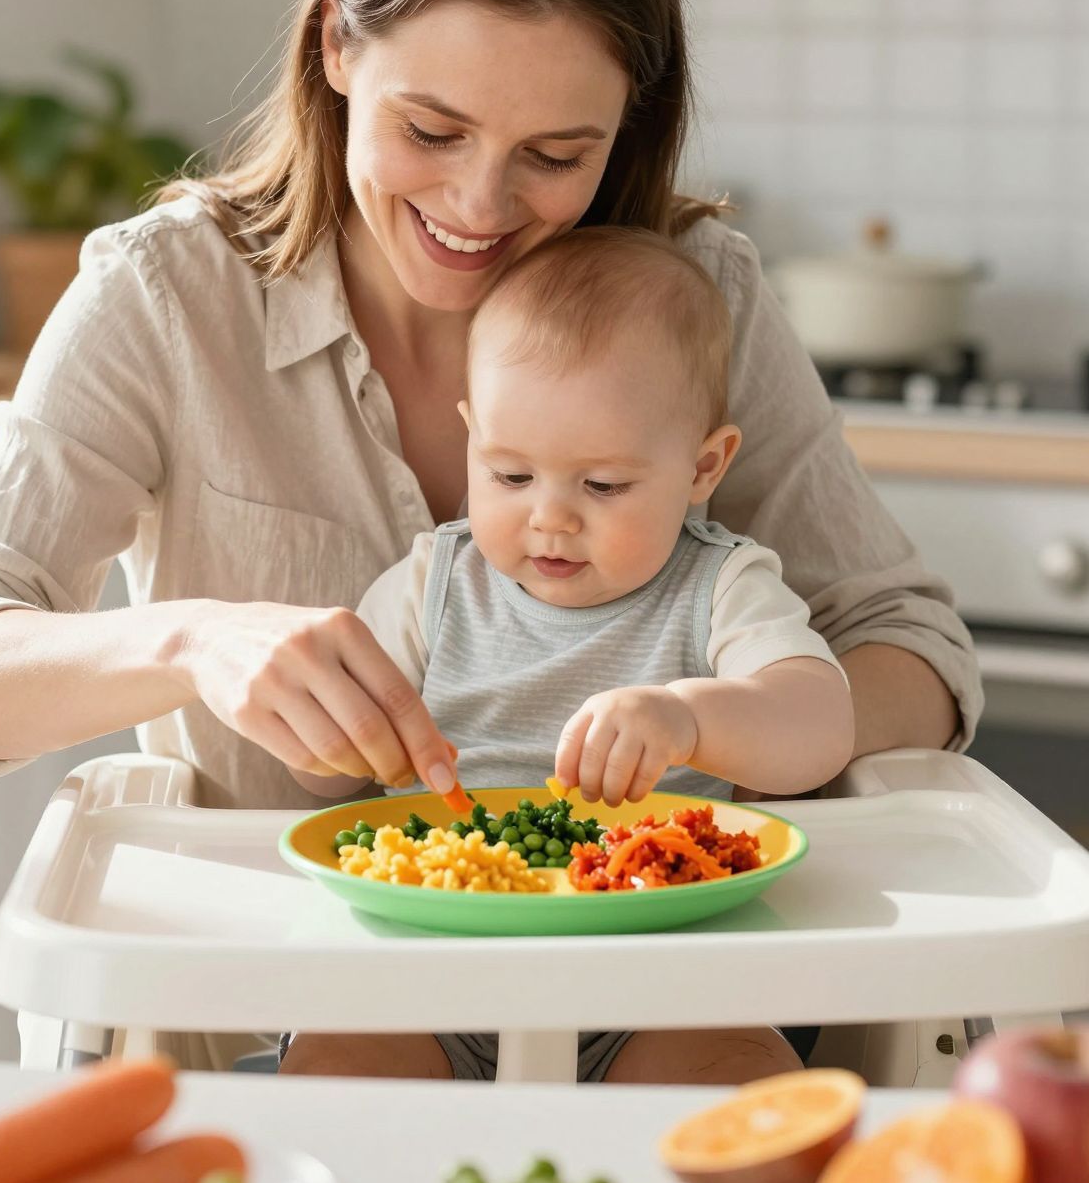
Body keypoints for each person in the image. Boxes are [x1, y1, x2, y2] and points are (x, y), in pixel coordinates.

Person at [0, 0, 981, 1085]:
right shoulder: (166, 295)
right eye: (432, 132)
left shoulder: (690, 298)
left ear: (626, 125)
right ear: (336, 45)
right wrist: (191, 643)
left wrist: (736, 724)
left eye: (554, 156)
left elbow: (911, 648)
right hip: (283, 1007)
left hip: (663, 969)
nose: (476, 206)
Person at [292, 225, 855, 813]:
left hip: (648, 868)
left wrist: (688, 720)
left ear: (703, 466)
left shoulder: (720, 590)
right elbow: (325, 780)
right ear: (472, 438)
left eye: (603, 485)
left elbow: (822, 729)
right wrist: (325, 729)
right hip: (445, 865)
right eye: (511, 476)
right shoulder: (429, 586)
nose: (551, 519)